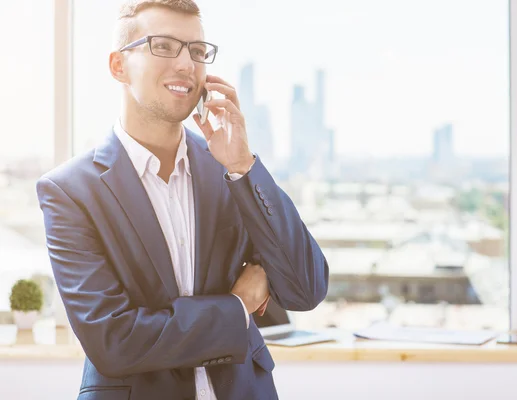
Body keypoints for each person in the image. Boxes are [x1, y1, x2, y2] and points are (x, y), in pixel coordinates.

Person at [35, 1, 329, 399]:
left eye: (196, 50)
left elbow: (305, 289)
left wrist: (243, 165)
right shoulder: (69, 191)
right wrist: (236, 307)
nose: (187, 65)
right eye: (164, 46)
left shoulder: (230, 171)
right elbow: (116, 341)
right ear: (118, 66)